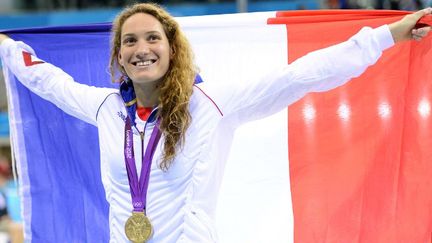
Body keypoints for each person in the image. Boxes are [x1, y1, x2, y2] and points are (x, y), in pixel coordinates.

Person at [0, 3, 431, 243]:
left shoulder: (212, 104)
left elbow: (301, 75)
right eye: (129, 40)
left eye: (153, 37)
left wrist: (384, 36)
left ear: (172, 51)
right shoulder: (105, 108)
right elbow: (45, 78)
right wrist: (3, 44)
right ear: (118, 56)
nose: (141, 48)